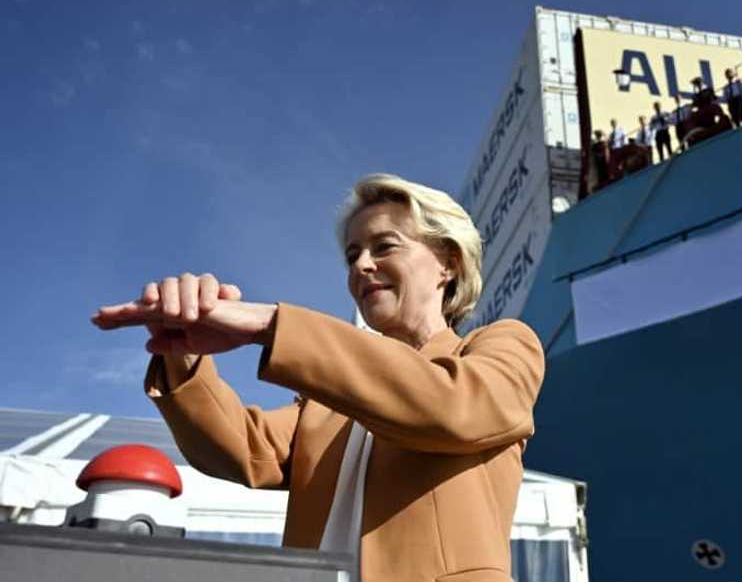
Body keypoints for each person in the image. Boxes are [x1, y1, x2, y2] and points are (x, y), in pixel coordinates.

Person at [92, 174, 546, 582]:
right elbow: (244, 450)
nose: (361, 265)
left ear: (447, 263)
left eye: (384, 246)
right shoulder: (326, 399)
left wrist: (272, 325)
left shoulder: (502, 345)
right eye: (353, 254)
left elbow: (454, 407)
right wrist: (183, 354)